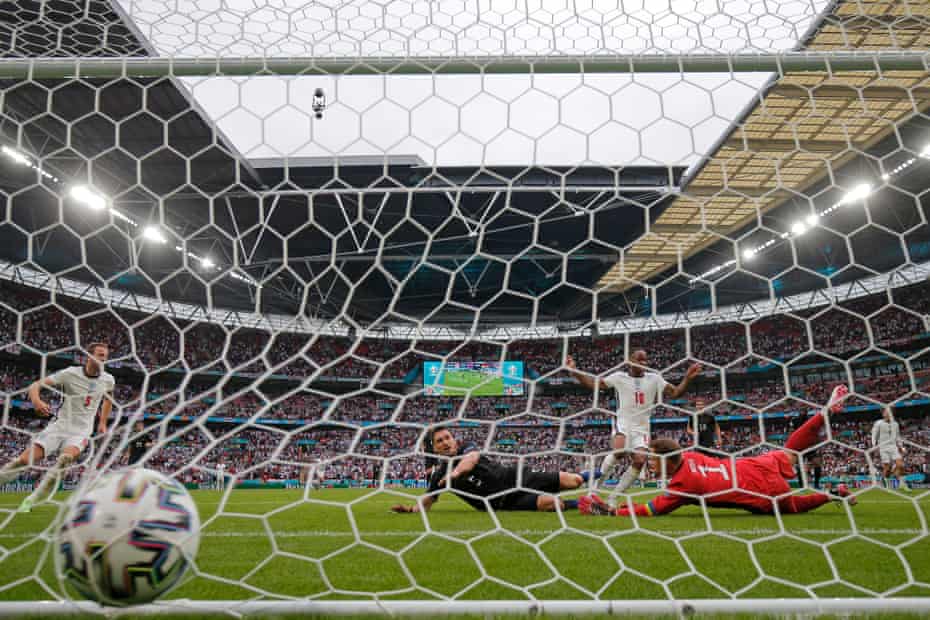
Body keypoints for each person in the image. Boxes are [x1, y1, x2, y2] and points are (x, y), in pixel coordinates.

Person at [580, 385, 854, 517]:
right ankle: (824, 413)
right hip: (752, 465)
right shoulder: (690, 455)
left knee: (793, 507)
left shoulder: (683, 485)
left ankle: (830, 495)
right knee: (790, 451)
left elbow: (652, 509)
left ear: (668, 460)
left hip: (760, 492)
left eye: (653, 460)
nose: (650, 465)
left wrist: (613, 512)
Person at [567, 350, 702, 508]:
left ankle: (613, 498)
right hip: (623, 422)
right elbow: (594, 384)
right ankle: (594, 491)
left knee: (639, 460)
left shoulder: (655, 379)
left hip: (642, 427)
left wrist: (687, 378)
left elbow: (675, 393)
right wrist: (575, 372)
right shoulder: (618, 377)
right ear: (630, 361)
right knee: (619, 451)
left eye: (645, 360)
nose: (643, 363)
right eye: (639, 359)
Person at [0, 343, 115, 512]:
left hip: (81, 431)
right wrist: (37, 401)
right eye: (99, 355)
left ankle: (31, 500)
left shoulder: (108, 379)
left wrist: (103, 422)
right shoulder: (70, 373)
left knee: (65, 460)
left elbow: (108, 400)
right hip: (59, 426)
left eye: (105, 356)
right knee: (23, 461)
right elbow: (35, 385)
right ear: (88, 356)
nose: (103, 359)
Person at [391, 426, 584, 513]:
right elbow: (428, 500)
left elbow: (472, 459)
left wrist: (456, 473)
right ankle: (584, 504)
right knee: (554, 504)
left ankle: (593, 476)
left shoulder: (467, 447)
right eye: (439, 441)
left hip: (515, 478)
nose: (445, 443)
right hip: (502, 503)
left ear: (454, 439)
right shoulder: (439, 475)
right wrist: (410, 509)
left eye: (448, 437)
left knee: (575, 481)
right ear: (434, 448)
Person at [872, 407, 908, 490]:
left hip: (893, 446)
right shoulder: (878, 423)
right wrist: (874, 446)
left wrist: (901, 446)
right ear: (883, 414)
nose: (888, 414)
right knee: (887, 468)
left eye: (889, 412)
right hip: (883, 447)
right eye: (886, 412)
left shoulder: (895, 424)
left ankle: (902, 484)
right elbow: (874, 435)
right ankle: (886, 484)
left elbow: (898, 436)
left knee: (901, 465)